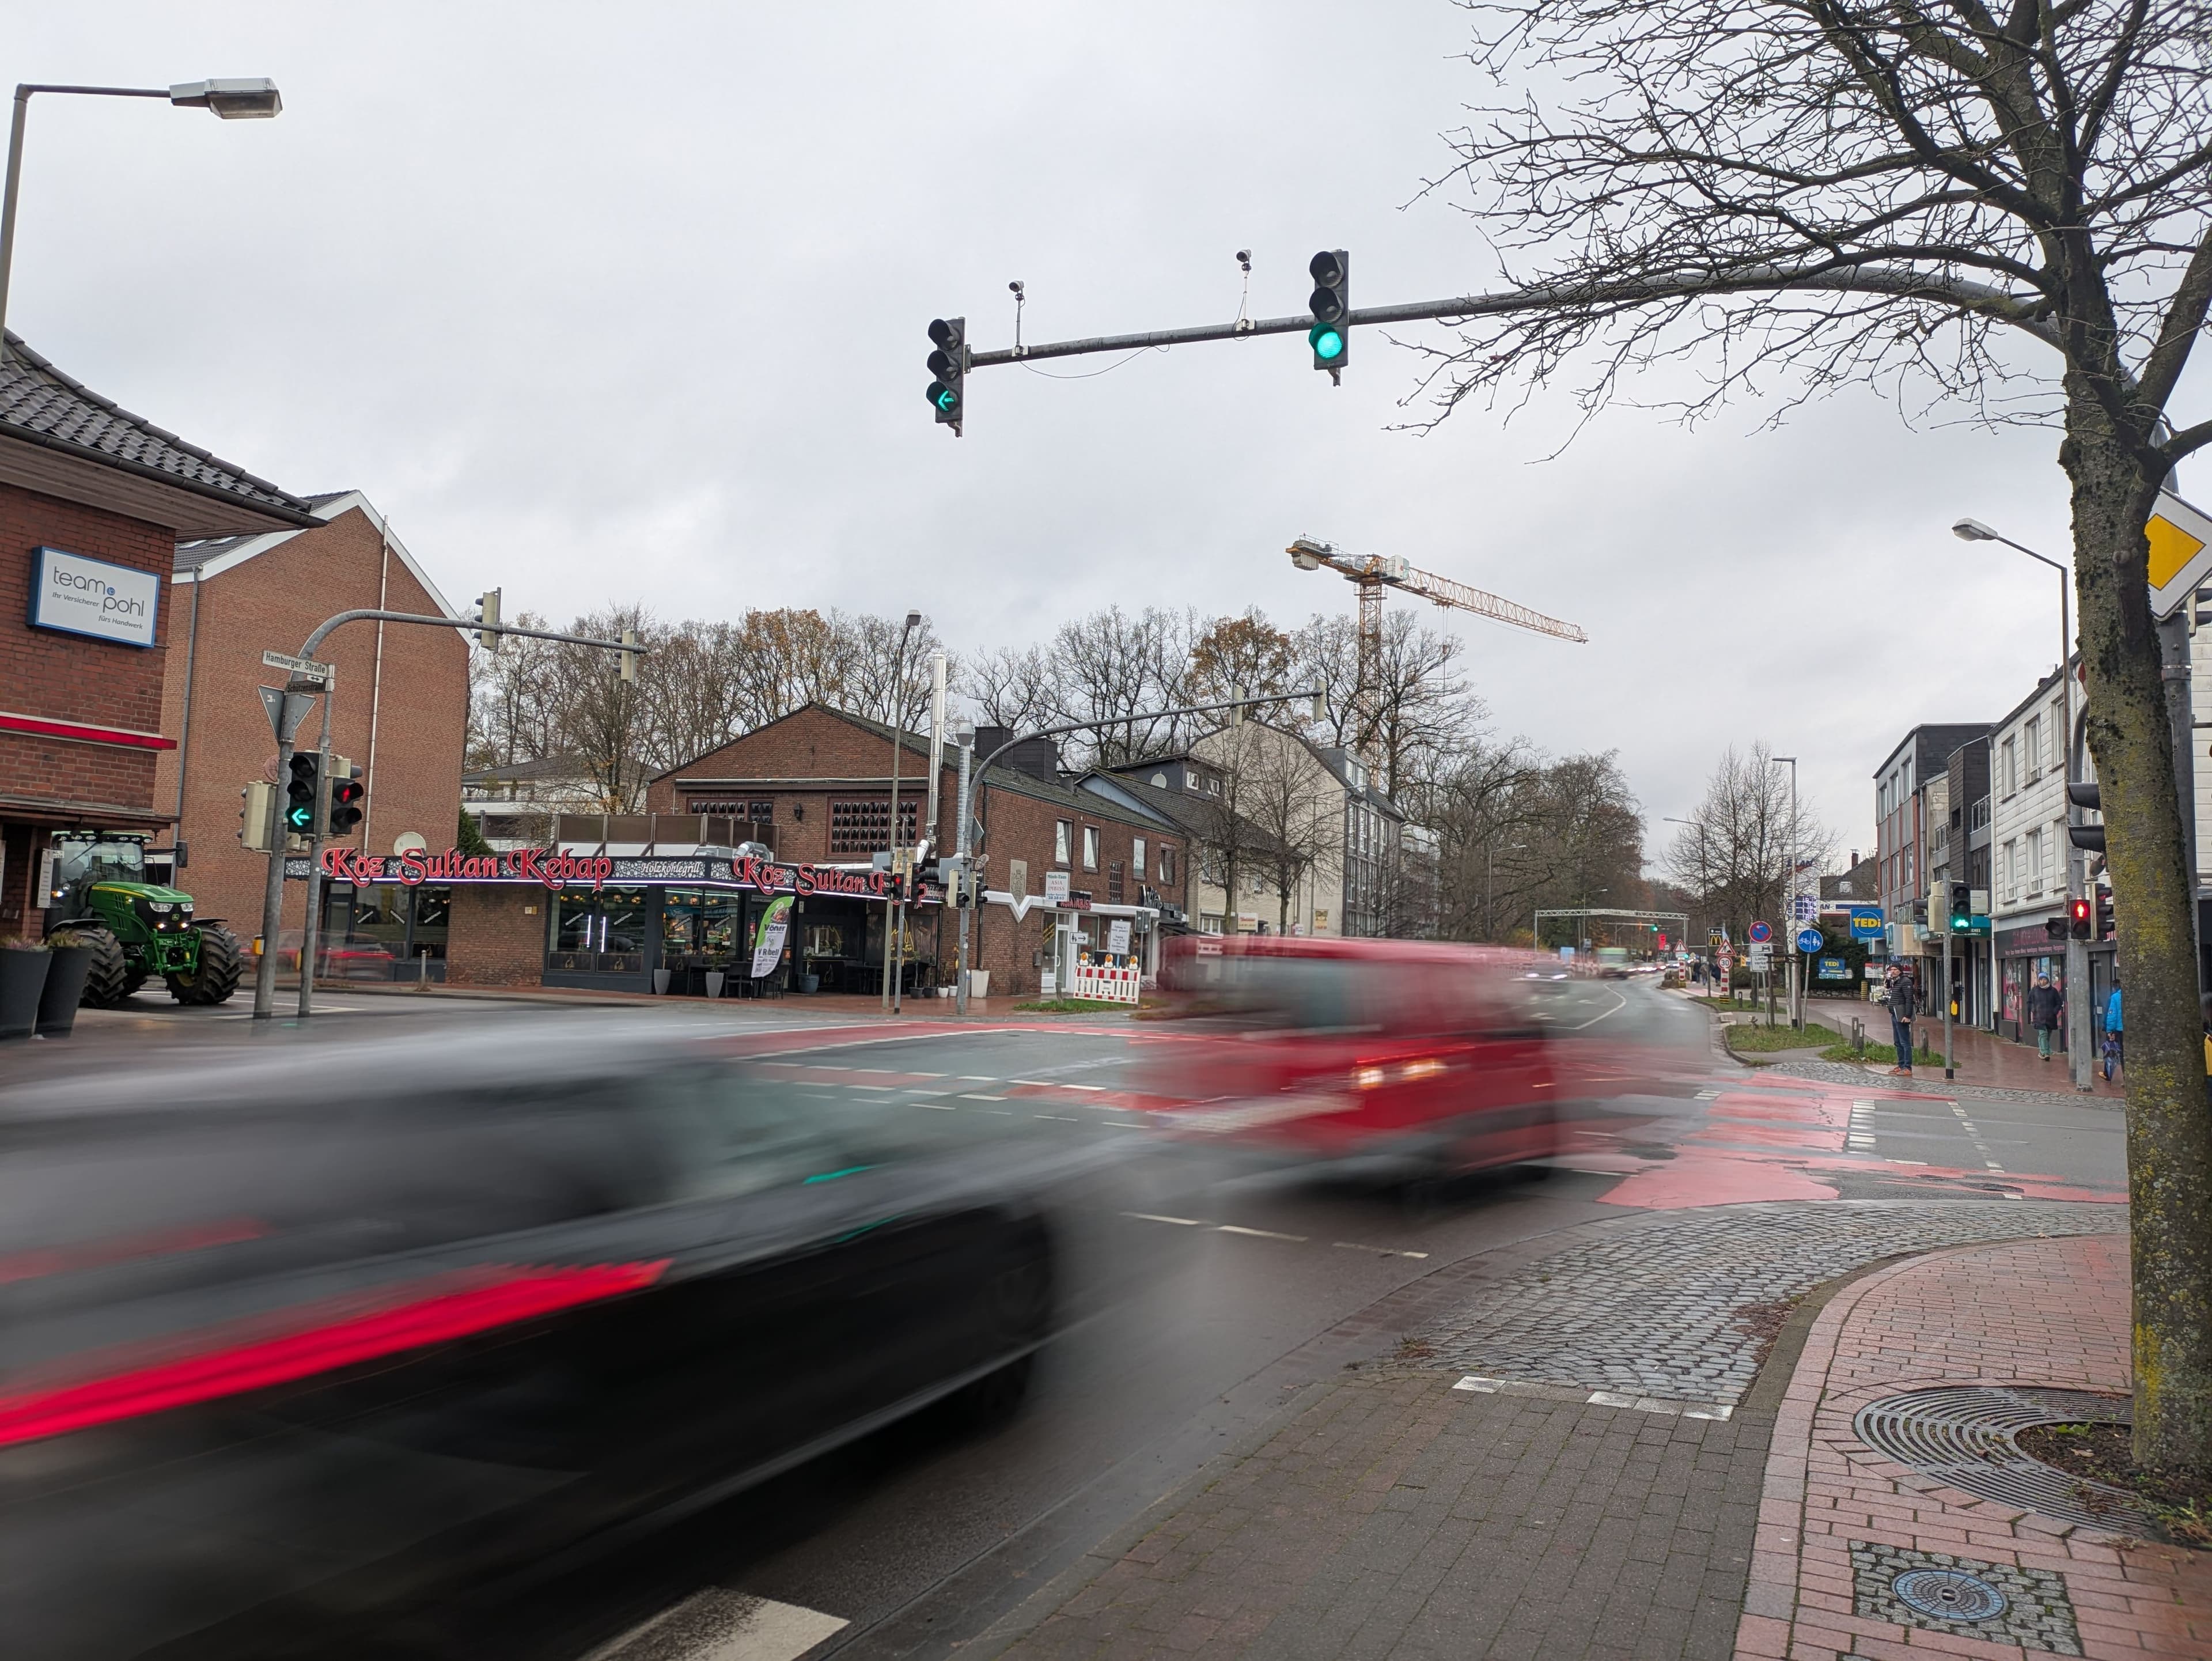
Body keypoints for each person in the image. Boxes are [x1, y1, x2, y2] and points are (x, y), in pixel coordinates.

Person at [1887, 963, 1918, 1074]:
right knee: (1897, 1042)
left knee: (1905, 1042)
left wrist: (1908, 1016)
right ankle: (1901, 1065)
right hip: (1894, 1014)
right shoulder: (1895, 982)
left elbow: (1909, 999)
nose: (1893, 971)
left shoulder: (1906, 982)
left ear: (1900, 971)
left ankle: (1907, 1067)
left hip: (1902, 1015)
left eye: (1895, 969)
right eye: (1892, 970)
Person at [2027, 973, 2063, 1061]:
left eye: (2045, 979)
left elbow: (2059, 1003)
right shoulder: (2035, 990)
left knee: (2048, 1035)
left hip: (2051, 1017)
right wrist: (2033, 1009)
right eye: (2041, 979)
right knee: (2043, 1034)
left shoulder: (2053, 991)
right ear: (2039, 980)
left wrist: (2055, 1011)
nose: (2043, 981)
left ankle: (2041, 1052)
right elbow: (2029, 1002)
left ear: (2048, 980)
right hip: (2039, 1017)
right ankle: (2045, 1052)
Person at [2103, 980, 2123, 1081]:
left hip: (2119, 1030)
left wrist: (2109, 1030)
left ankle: (2109, 1073)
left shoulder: (2115, 997)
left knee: (2114, 1052)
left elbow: (2112, 1015)